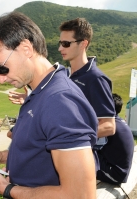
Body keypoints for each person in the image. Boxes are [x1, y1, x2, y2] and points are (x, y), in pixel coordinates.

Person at [0, 11, 98, 198]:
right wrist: (1, 156)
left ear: (26, 48)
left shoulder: (59, 100)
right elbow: (39, 148)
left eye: (2, 68)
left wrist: (8, 189)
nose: (0, 80)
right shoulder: (38, 92)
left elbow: (80, 194)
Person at [58, 18, 116, 148]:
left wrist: (69, 138)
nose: (60, 48)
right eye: (60, 43)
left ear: (83, 43)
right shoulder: (64, 75)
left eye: (66, 43)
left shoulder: (96, 78)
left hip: (80, 153)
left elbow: (109, 126)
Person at [97, 93, 135, 184]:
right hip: (121, 170)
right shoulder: (119, 122)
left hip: (116, 174)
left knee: (82, 155)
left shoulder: (109, 126)